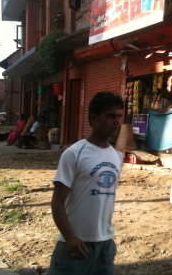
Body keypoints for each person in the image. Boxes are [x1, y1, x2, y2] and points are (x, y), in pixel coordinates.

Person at [48, 91, 124, 275]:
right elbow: (57, 201)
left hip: (105, 243)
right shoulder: (75, 153)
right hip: (75, 244)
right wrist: (70, 237)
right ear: (94, 119)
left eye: (119, 116)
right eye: (110, 116)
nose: (117, 122)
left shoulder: (117, 156)